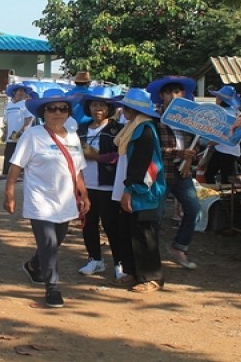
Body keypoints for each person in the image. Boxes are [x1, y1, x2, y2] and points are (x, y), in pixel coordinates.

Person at [5, 92, 89, 308]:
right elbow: (16, 165)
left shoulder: (72, 137)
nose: (58, 113)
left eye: (63, 109)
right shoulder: (33, 135)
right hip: (40, 200)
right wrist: (10, 192)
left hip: (65, 200)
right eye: (52, 109)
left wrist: (84, 194)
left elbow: (77, 169)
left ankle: (34, 265)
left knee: (56, 240)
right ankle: (52, 288)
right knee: (49, 243)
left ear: (68, 113)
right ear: (43, 112)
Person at [111, 88, 166, 293]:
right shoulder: (132, 128)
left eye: (126, 107)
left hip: (142, 190)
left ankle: (152, 277)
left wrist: (131, 189)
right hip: (128, 187)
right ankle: (133, 272)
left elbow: (143, 163)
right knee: (128, 231)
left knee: (144, 234)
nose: (123, 110)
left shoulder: (144, 129)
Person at [147, 76, 201, 270]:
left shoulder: (189, 120)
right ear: (161, 96)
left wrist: (190, 158)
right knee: (157, 215)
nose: (173, 95)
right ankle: (150, 256)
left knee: (194, 209)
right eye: (169, 92)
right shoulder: (153, 118)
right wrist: (179, 153)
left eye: (177, 92)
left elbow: (194, 146)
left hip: (182, 173)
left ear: (184, 94)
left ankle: (179, 247)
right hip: (161, 174)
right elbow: (151, 150)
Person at [76, 88, 125, 279]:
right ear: (89, 107)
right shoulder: (80, 130)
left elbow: (120, 155)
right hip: (86, 185)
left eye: (102, 105)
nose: (98, 109)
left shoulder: (117, 130)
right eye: (94, 105)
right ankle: (94, 260)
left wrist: (96, 157)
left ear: (109, 108)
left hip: (108, 185)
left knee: (111, 225)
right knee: (88, 224)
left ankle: (120, 262)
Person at [204, 85, 241, 184]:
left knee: (211, 175)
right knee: (225, 177)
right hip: (230, 150)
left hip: (224, 149)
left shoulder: (225, 114)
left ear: (221, 100)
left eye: (217, 98)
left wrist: (213, 142)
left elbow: (226, 132)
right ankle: (224, 198)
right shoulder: (234, 113)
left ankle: (217, 198)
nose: (216, 100)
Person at [0, 83, 34, 180]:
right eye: (19, 91)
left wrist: (21, 130)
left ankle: (20, 173)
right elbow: (6, 121)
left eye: (23, 91)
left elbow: (29, 118)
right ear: (14, 92)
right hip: (11, 135)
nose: (21, 93)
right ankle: (6, 173)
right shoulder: (9, 105)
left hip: (22, 134)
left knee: (20, 153)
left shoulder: (26, 104)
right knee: (8, 153)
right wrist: (5, 133)